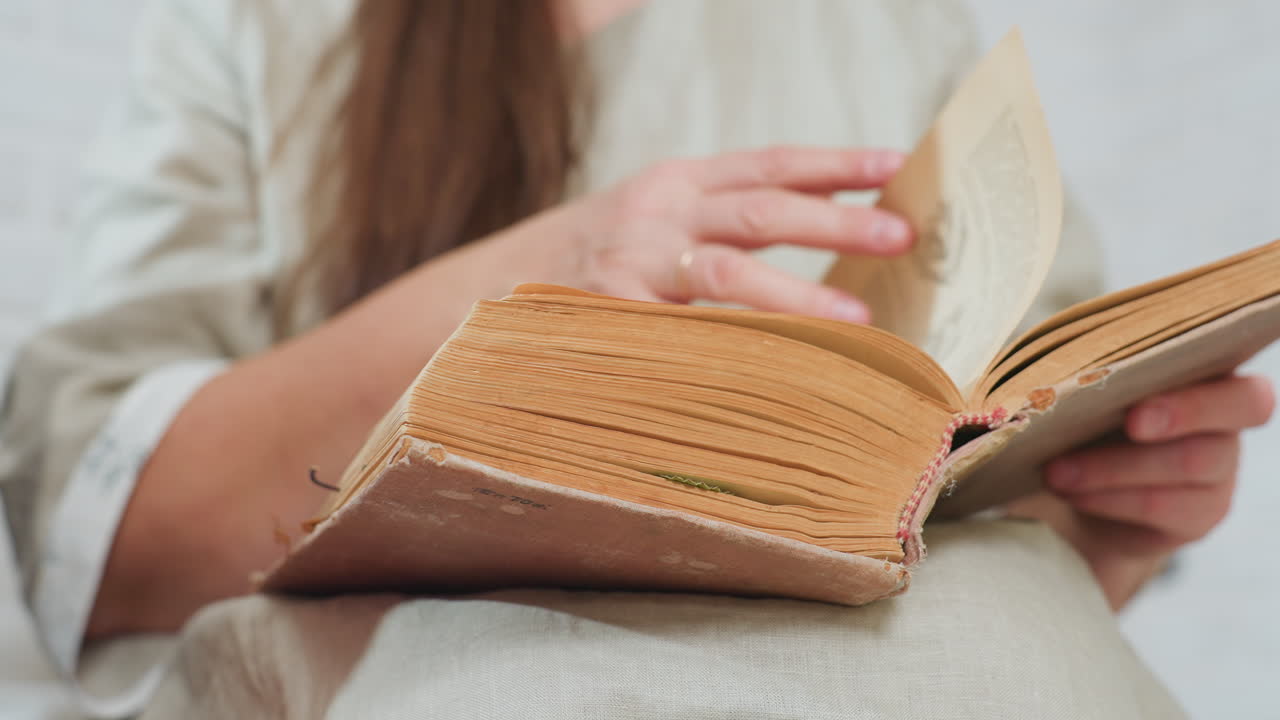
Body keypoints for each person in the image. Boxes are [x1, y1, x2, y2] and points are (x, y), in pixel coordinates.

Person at [1, 0, 1272, 717]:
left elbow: (983, 471)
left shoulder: (893, 30)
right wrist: (556, 267)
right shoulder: (263, 32)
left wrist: (1110, 534)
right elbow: (96, 530)